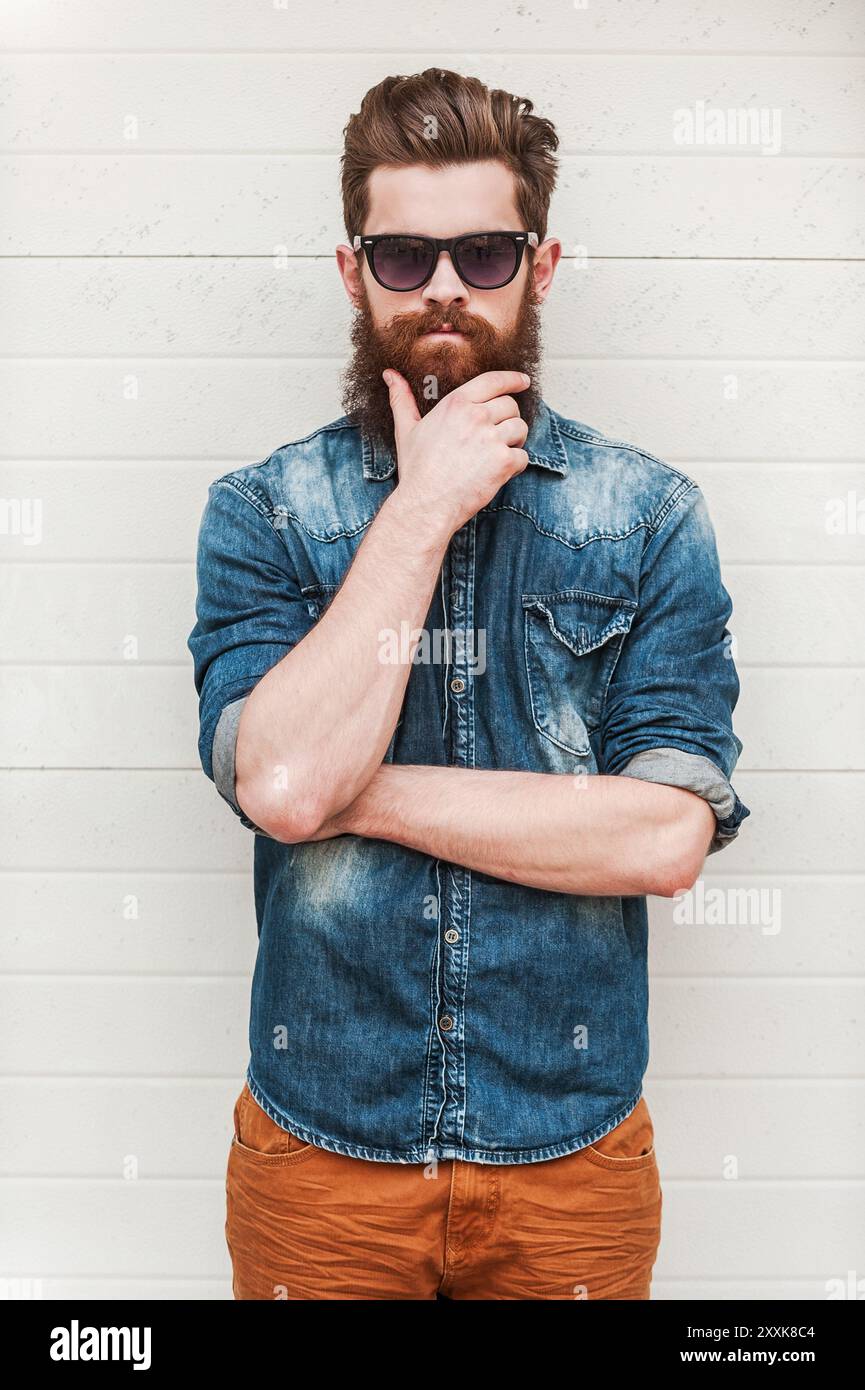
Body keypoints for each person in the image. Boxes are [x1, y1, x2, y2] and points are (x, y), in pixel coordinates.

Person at [188, 68, 749, 1300]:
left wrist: (353, 791)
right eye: (403, 256)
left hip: (571, 1164)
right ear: (353, 273)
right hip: (320, 1163)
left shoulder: (646, 517)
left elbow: (661, 834)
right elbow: (280, 781)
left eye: (484, 253)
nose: (444, 286)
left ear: (539, 269)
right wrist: (422, 507)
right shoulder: (263, 515)